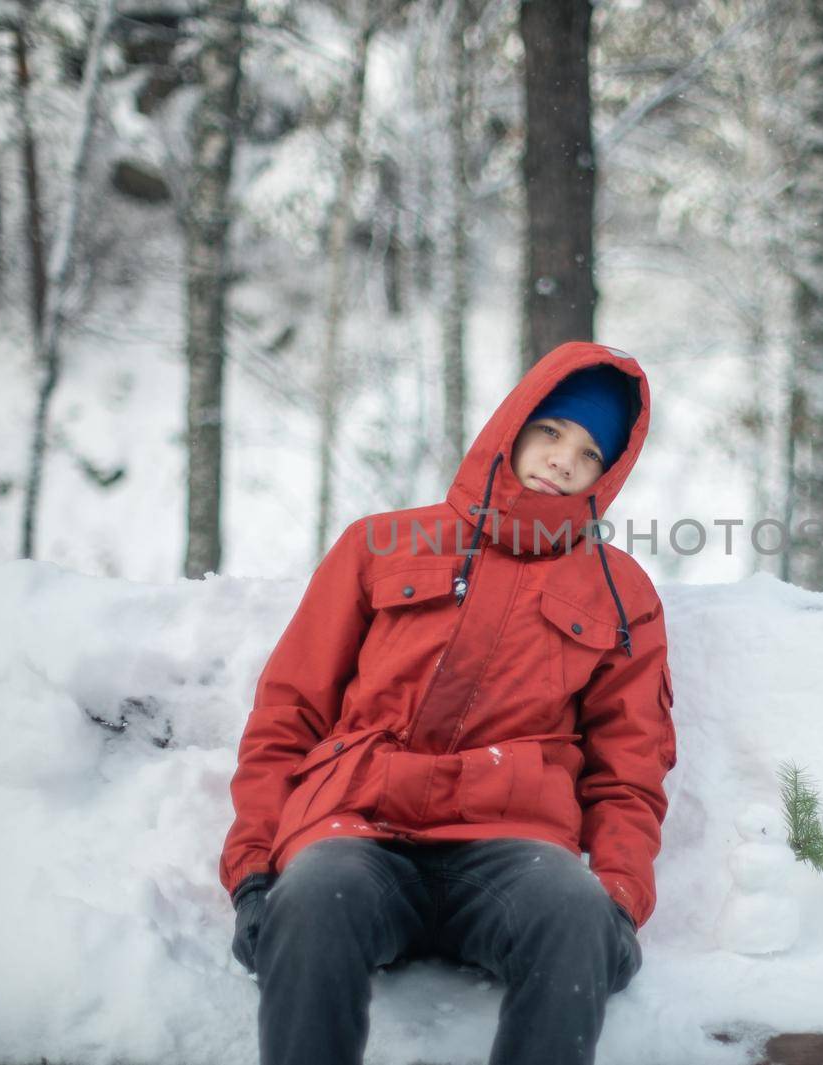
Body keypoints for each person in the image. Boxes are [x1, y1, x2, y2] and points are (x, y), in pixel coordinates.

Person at [218, 341, 677, 1065]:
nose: (562, 459)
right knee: (314, 895)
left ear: (608, 475)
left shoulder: (621, 593)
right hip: (357, 833)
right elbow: (289, 712)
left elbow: (629, 772)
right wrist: (252, 873)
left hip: (512, 850)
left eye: (590, 453)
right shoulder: (380, 543)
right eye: (552, 431)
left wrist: (617, 901)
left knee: (573, 911)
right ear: (513, 426)